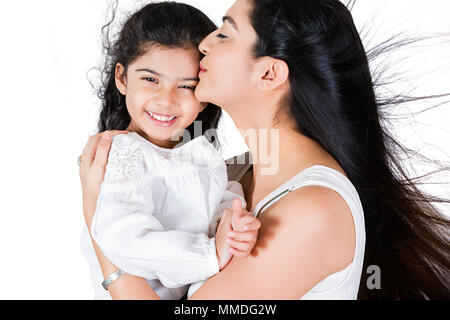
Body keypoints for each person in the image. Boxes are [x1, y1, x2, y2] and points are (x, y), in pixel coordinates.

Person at [80, 0, 450, 299]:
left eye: (225, 34)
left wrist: (100, 223)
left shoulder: (314, 212)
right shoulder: (233, 173)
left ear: (269, 74)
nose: (205, 42)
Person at [79, 2, 261, 300]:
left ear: (203, 96)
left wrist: (233, 224)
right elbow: (123, 238)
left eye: (186, 86)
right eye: (150, 80)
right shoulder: (119, 154)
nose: (166, 100)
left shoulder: (198, 154)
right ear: (122, 78)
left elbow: (216, 202)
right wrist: (209, 254)